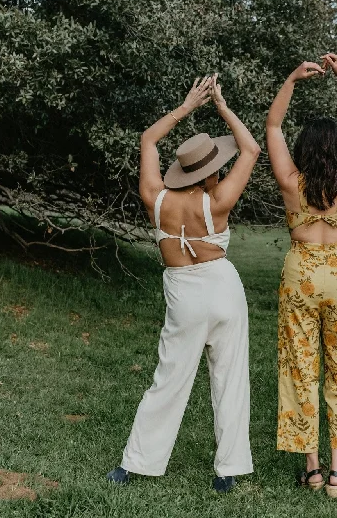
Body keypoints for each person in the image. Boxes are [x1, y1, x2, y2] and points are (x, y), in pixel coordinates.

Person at [106, 74, 261, 493]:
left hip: (184, 292)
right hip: (223, 289)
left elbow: (148, 141)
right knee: (229, 379)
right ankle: (226, 471)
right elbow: (251, 148)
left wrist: (187, 106)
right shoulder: (219, 201)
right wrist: (222, 107)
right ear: (211, 169)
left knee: (170, 377)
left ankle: (133, 465)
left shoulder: (155, 197)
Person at [266, 54, 337, 498]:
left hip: (300, 272)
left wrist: (290, 79)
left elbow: (272, 127)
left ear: (304, 149)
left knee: (301, 367)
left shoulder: (291, 182)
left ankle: (311, 468)